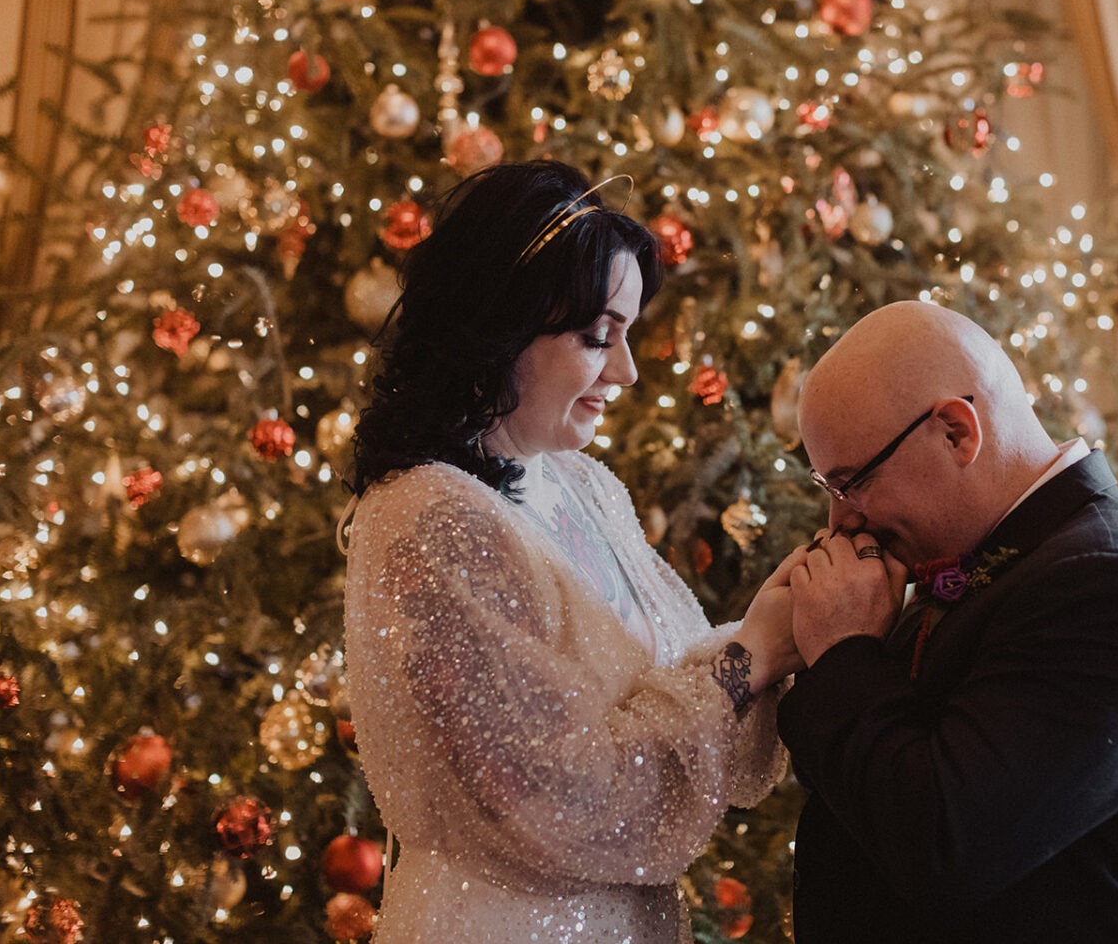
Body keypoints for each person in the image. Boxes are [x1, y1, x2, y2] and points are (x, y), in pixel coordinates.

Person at [341, 161, 800, 943]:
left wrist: (796, 624)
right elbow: (568, 795)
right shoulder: (428, 521)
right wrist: (752, 656)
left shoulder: (583, 485)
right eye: (597, 338)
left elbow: (677, 676)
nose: (623, 372)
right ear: (499, 327)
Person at [777, 301, 1118, 942]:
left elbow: (942, 843)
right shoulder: (993, 553)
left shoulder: (1111, 584)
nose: (840, 521)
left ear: (957, 431)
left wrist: (846, 652)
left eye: (853, 482)